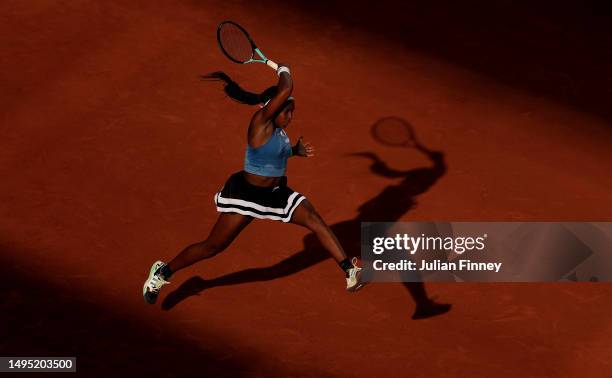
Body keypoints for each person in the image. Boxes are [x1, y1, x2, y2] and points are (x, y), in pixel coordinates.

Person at [143, 64, 364, 304]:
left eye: (293, 112)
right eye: (287, 112)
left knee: (313, 218)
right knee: (213, 247)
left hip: (275, 194)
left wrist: (293, 151)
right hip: (245, 195)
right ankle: (163, 272)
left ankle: (348, 270)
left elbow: (268, 155)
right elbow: (287, 86)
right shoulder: (260, 122)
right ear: (273, 108)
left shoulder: (278, 131)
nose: (291, 117)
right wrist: (281, 68)